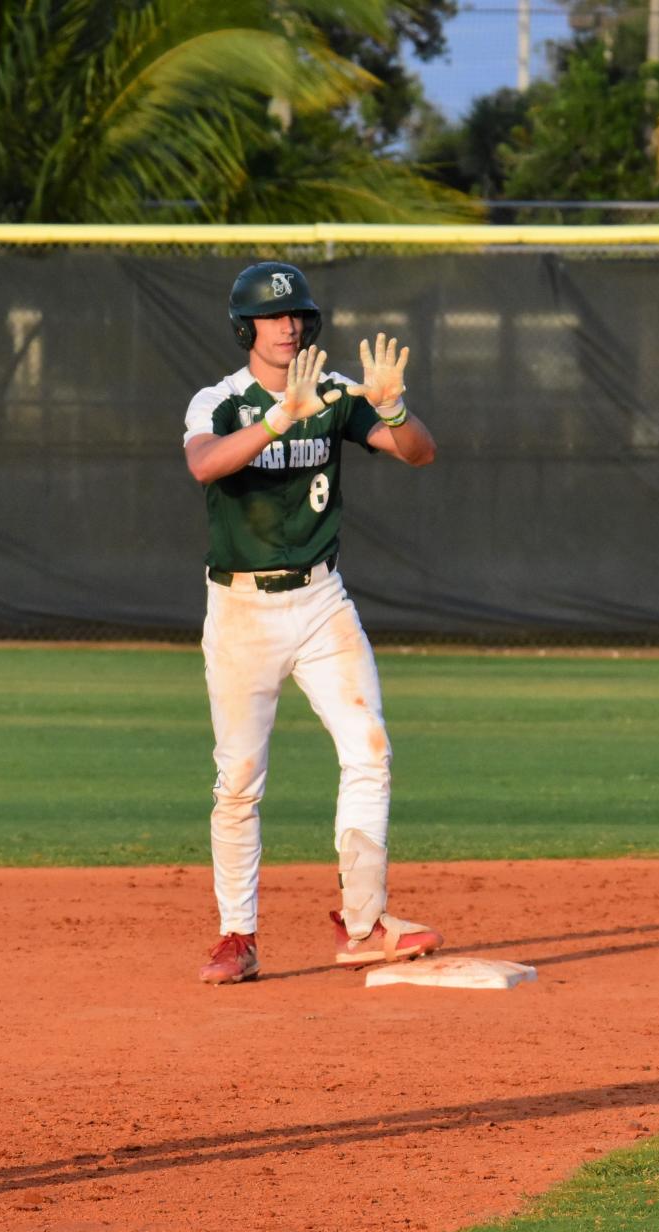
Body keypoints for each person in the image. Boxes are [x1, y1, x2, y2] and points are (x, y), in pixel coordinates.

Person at [182, 262, 443, 985]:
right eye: (272, 316)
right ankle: (238, 934)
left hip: (322, 601)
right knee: (238, 779)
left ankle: (363, 923)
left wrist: (390, 409)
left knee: (369, 749)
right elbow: (205, 465)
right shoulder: (221, 401)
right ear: (245, 327)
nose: (288, 324)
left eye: (297, 313)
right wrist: (279, 418)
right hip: (240, 609)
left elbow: (420, 451)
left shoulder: (333, 396)